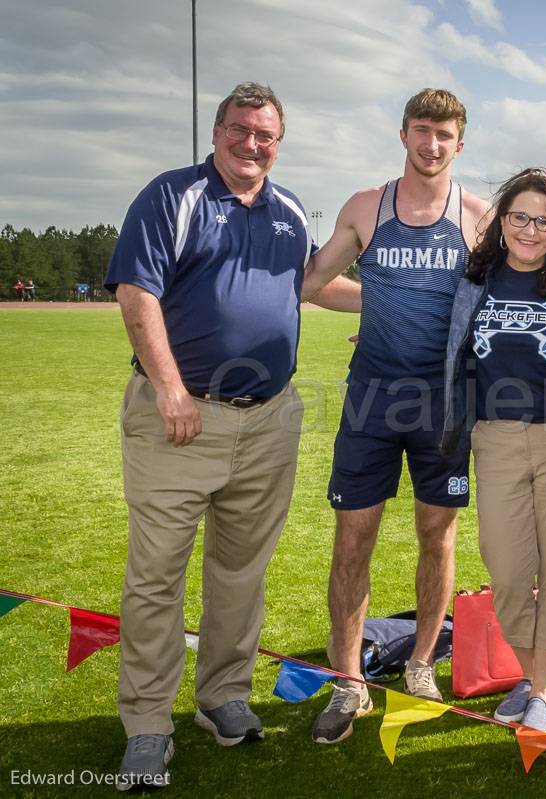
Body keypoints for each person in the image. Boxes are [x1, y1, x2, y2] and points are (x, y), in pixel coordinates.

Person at [299, 88, 546, 745]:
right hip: (372, 397)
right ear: (403, 133)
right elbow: (311, 281)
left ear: (459, 143)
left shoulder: (478, 215)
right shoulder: (364, 207)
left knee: (438, 536)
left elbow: (529, 261)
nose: (431, 144)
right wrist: (374, 305)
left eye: (444, 134)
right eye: (421, 130)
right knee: (353, 538)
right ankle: (349, 680)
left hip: (446, 403)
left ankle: (417, 664)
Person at [103, 82, 358, 790]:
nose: (252, 144)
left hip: (269, 418)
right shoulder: (172, 194)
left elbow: (309, 285)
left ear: (279, 143)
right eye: (240, 130)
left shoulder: (285, 210)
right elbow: (137, 292)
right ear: (217, 132)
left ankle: (222, 697)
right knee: (157, 577)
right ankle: (148, 723)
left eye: (266, 135)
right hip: (181, 417)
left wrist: (402, 298)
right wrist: (169, 386)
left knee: (240, 575)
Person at [441, 168, 546, 733]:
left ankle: (538, 693)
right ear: (501, 221)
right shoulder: (473, 279)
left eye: (543, 219)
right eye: (519, 217)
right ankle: (537, 676)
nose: (530, 229)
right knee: (507, 570)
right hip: (495, 437)